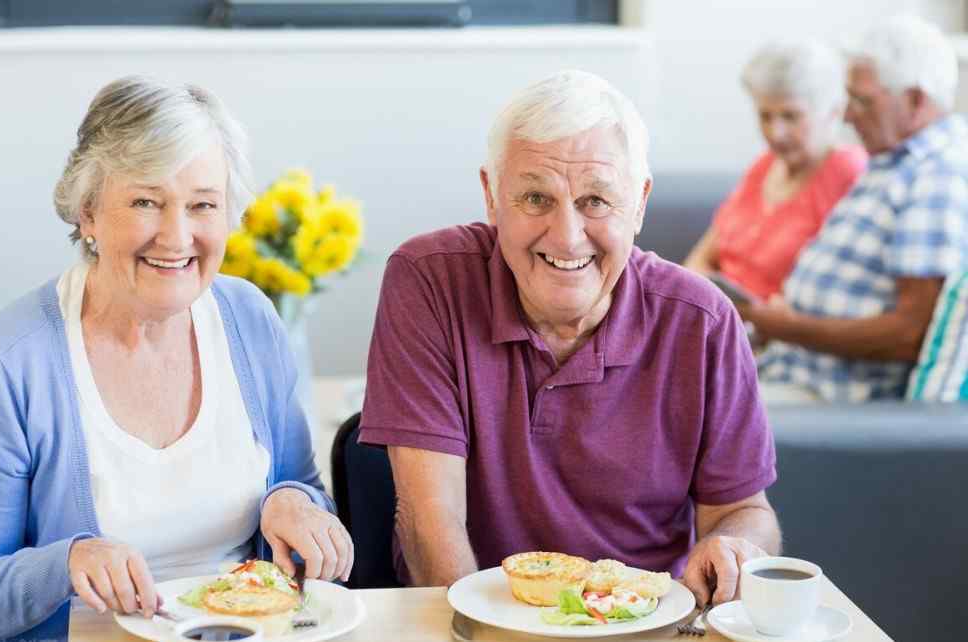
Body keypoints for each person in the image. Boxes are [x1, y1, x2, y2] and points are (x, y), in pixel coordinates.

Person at [359, 70, 781, 608]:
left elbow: (744, 511)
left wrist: (734, 547)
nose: (566, 235)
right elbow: (428, 521)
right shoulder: (428, 280)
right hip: (473, 616)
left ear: (640, 203)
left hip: (641, 620)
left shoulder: (703, 321)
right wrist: (482, 630)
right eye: (535, 197)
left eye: (596, 201)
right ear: (491, 196)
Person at [0, 77, 352, 641]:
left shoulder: (250, 320)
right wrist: (66, 564)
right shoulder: (13, 363)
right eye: (146, 201)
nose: (176, 237)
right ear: (88, 213)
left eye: (202, 205)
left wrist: (295, 504)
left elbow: (300, 485)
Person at [743, 16, 968, 403]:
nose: (847, 116)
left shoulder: (938, 176)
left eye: (862, 100)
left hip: (828, 396)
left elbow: (908, 335)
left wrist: (780, 324)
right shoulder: (894, 160)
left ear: (915, 101)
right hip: (788, 368)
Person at [685, 40, 867, 301]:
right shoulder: (765, 165)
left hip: (775, 332)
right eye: (765, 116)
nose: (775, 133)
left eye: (791, 116)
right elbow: (702, 256)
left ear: (833, 112)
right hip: (719, 317)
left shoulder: (849, 171)